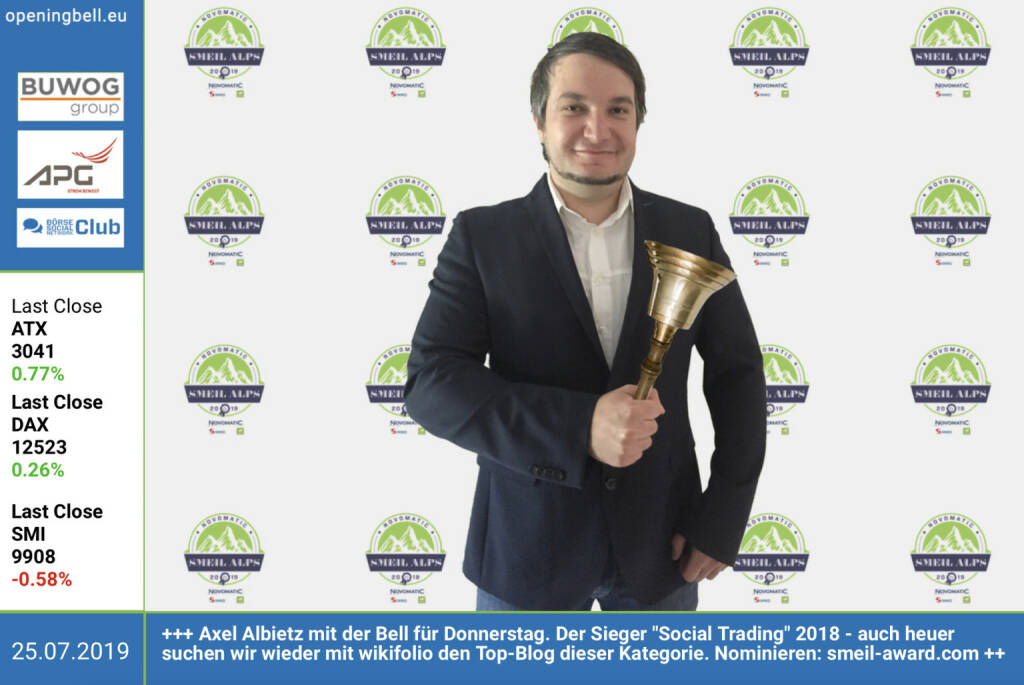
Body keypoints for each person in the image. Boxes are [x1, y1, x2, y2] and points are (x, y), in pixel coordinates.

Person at [404, 32, 765, 611]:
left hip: (664, 545)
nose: (597, 130)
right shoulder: (482, 237)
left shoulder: (690, 229)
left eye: (618, 109)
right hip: (525, 548)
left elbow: (739, 374)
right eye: (574, 107)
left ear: (638, 121)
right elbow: (431, 383)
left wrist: (723, 518)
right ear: (539, 122)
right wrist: (579, 428)